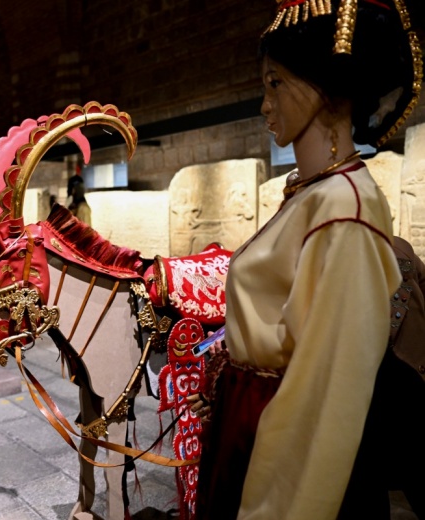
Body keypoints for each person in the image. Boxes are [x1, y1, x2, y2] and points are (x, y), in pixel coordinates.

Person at [193, 1, 421, 519]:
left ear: (323, 86)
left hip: (283, 445)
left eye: (275, 83)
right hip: (249, 424)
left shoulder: (343, 208)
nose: (264, 105)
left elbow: (326, 393)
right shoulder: (314, 194)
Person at [340, 236, 425, 518]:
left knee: (366, 475)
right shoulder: (397, 246)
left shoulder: (334, 251)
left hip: (378, 376)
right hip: (403, 372)